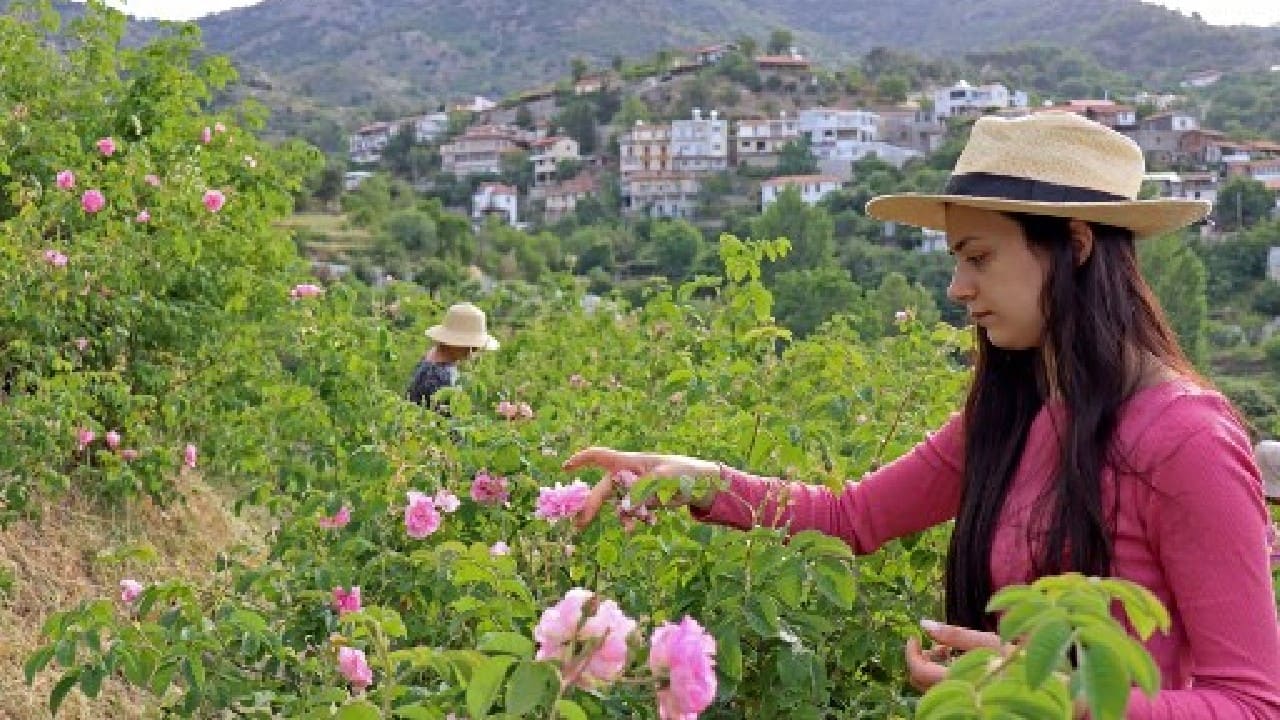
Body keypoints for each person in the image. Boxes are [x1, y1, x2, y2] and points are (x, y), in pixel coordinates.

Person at [564, 113, 1280, 718]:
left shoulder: (1186, 439)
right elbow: (849, 518)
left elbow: (1251, 703)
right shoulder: (1016, 412)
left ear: (1077, 246)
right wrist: (685, 477)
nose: (957, 287)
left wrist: (1052, 695)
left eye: (979, 257)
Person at [406, 302, 498, 409]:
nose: (473, 350)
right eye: (470, 345)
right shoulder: (441, 375)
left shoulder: (430, 359)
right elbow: (451, 418)